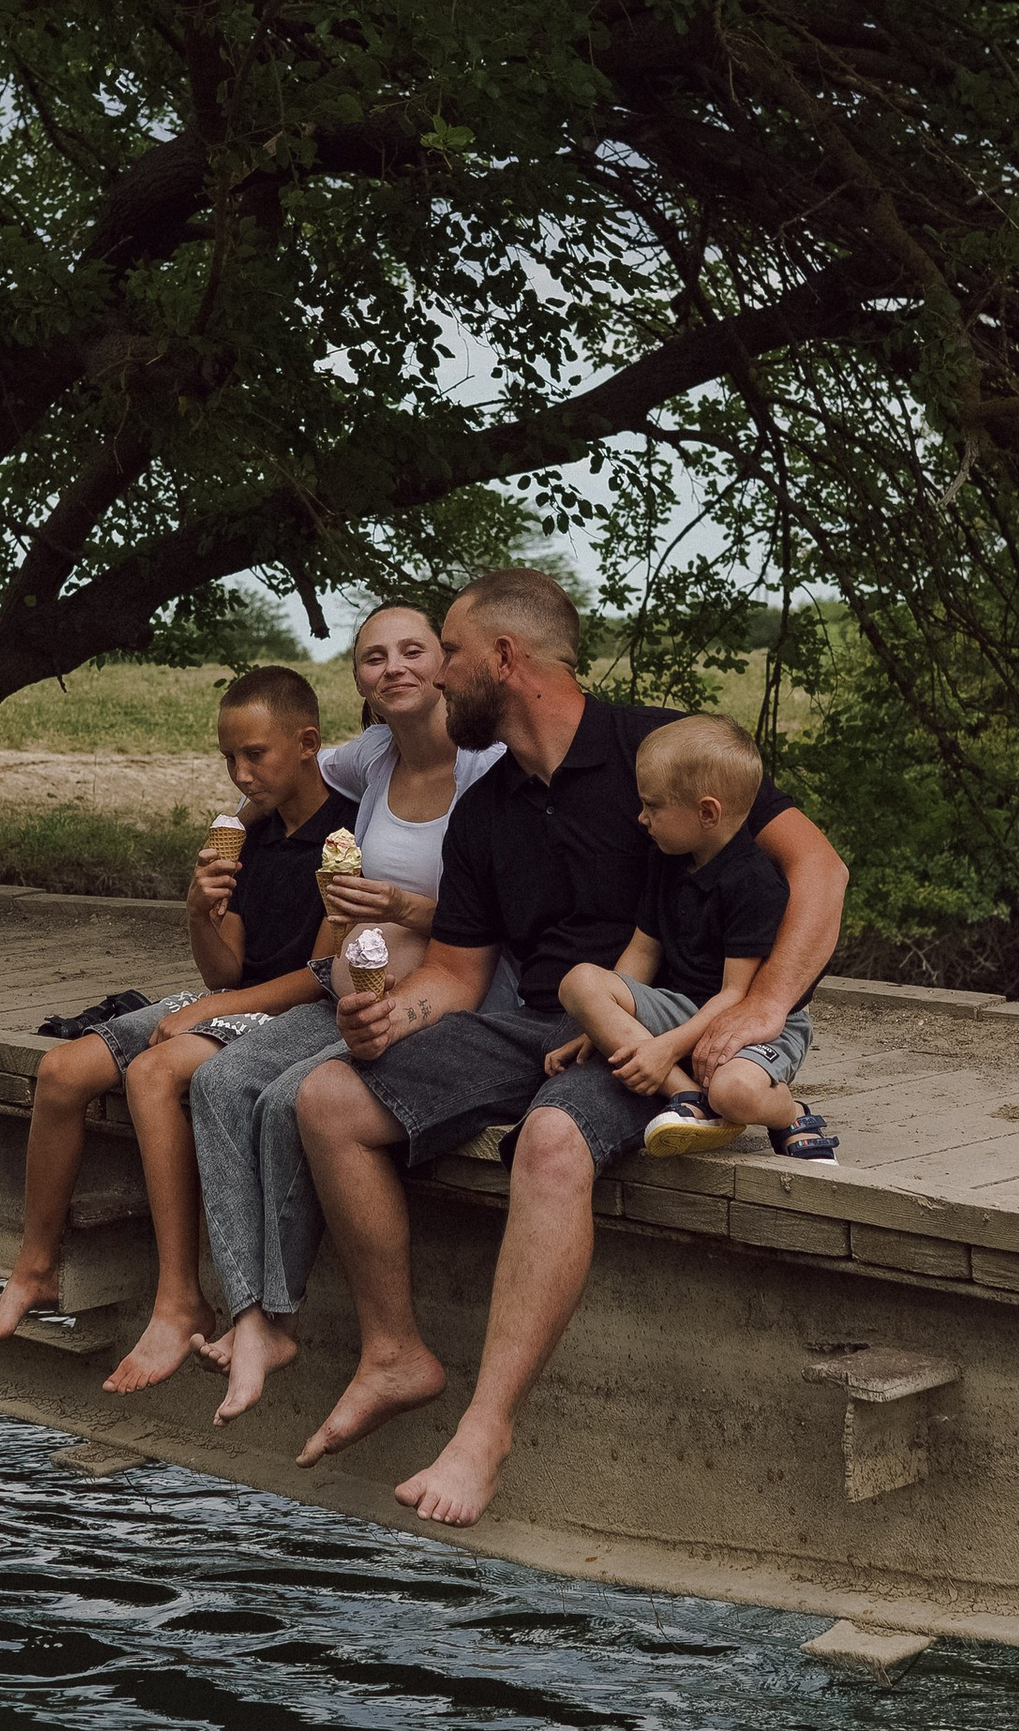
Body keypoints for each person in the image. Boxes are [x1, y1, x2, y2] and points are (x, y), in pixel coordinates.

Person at [291, 567, 849, 1528]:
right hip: (534, 1022)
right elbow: (459, 979)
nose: (435, 674)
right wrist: (390, 1017)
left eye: (451, 653)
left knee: (552, 1142)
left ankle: (484, 1434)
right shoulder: (488, 808)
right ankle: (394, 1352)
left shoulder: (663, 754)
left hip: (658, 1022)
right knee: (328, 1098)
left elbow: (821, 869)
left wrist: (762, 1009)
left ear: (504, 659)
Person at [0, 667, 348, 1393]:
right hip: (236, 996)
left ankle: (179, 1298)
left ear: (307, 744)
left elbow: (326, 973)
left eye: (255, 756)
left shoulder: (347, 834)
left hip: (296, 1009)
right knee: (61, 1074)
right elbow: (222, 970)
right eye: (228, 758)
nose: (240, 773)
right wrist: (197, 911)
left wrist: (205, 1013)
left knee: (154, 1071)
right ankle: (37, 1267)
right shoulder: (244, 833)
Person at [191, 598, 505, 1426]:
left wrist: (405, 906)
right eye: (374, 657)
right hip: (348, 986)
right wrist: (236, 822)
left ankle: (282, 1315)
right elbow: (278, 771)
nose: (394, 667)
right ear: (361, 682)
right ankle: (251, 1314)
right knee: (220, 1085)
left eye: (413, 650)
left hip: (440, 996)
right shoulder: (368, 757)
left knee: (294, 1098)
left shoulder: (487, 770)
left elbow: (503, 926)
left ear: (445, 662)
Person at [547, 711, 835, 1160]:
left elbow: (736, 996)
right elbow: (642, 951)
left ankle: (790, 1112)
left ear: (707, 812)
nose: (642, 818)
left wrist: (662, 1048)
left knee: (736, 1092)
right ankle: (692, 1101)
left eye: (654, 806)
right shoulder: (668, 858)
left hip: (748, 1020)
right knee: (580, 981)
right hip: (687, 1010)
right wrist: (601, 1027)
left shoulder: (752, 882)